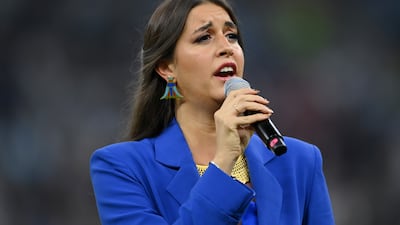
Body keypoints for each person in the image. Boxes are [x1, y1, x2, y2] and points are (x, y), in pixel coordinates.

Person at [90, 0, 336, 224]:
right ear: (167, 68)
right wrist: (223, 162)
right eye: (204, 38)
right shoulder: (121, 167)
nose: (226, 47)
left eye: (232, 36)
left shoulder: (299, 162)